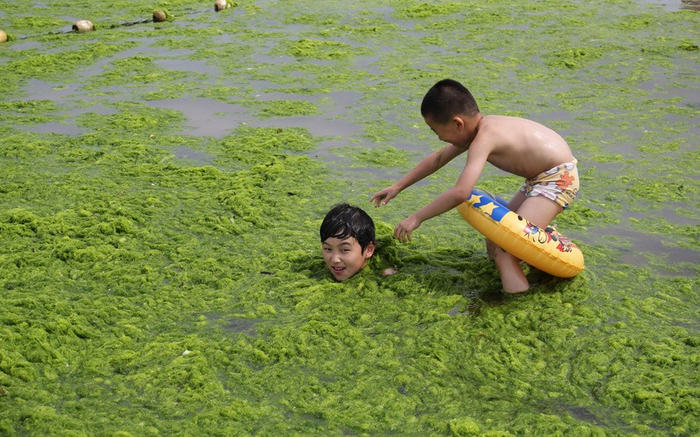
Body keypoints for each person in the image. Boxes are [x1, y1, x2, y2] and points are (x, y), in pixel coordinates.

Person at [370, 79, 579, 293]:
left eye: (436, 131)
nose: (440, 138)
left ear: (458, 124)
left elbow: (461, 192)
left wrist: (416, 218)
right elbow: (437, 160)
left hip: (557, 180)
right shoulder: (479, 129)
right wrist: (398, 186)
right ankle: (504, 278)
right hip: (539, 179)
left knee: (506, 253)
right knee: (495, 239)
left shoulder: (485, 137)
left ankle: (515, 306)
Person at [320, 203, 376, 282]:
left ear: (369, 249)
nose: (335, 260)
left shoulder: (383, 278)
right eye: (328, 249)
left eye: (344, 250)